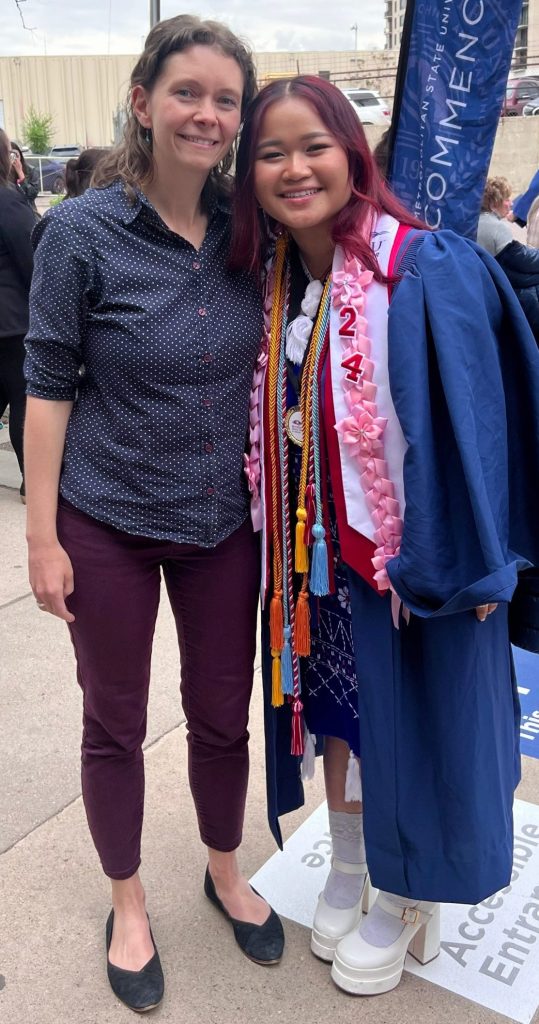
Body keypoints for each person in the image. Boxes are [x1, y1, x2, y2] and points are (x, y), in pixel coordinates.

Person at [230, 76, 539, 996]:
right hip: (312, 565)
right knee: (339, 719)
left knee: (413, 727)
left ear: (352, 153)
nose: (294, 169)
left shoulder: (421, 264)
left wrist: (473, 561)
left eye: (312, 146)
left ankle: (412, 897)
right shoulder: (285, 279)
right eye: (271, 153)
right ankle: (355, 863)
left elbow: (474, 424)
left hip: (410, 563)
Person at [24, 15, 284, 1014]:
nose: (207, 113)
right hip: (109, 519)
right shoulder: (79, 233)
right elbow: (47, 388)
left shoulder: (246, 227)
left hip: (224, 522)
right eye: (187, 92)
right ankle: (126, 903)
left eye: (225, 98)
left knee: (223, 716)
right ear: (142, 101)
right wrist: (42, 537)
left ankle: (223, 869)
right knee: (114, 722)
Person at [0, 128, 36, 501]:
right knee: (24, 402)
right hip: (13, 323)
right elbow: (34, 258)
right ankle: (32, 482)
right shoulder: (8, 202)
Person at [477, 177, 539, 344]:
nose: (511, 204)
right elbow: (520, 262)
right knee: (530, 295)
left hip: (485, 283)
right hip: (499, 288)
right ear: (494, 203)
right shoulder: (496, 227)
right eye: (507, 199)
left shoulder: (477, 221)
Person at [9, 141, 40, 213]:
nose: (13, 158)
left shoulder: (30, 170)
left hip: (27, 209)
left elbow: (32, 195)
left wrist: (21, 174)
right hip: (10, 210)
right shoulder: (4, 172)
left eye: (15, 154)